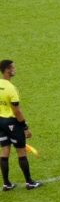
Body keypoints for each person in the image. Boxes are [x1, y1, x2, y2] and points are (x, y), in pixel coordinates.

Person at [0, 60, 41, 190]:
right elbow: (17, 111)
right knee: (21, 152)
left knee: (5, 151)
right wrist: (25, 127)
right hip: (12, 123)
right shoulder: (11, 89)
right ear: (7, 69)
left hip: (0, 121)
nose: (14, 69)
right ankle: (29, 182)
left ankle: (6, 184)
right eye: (12, 67)